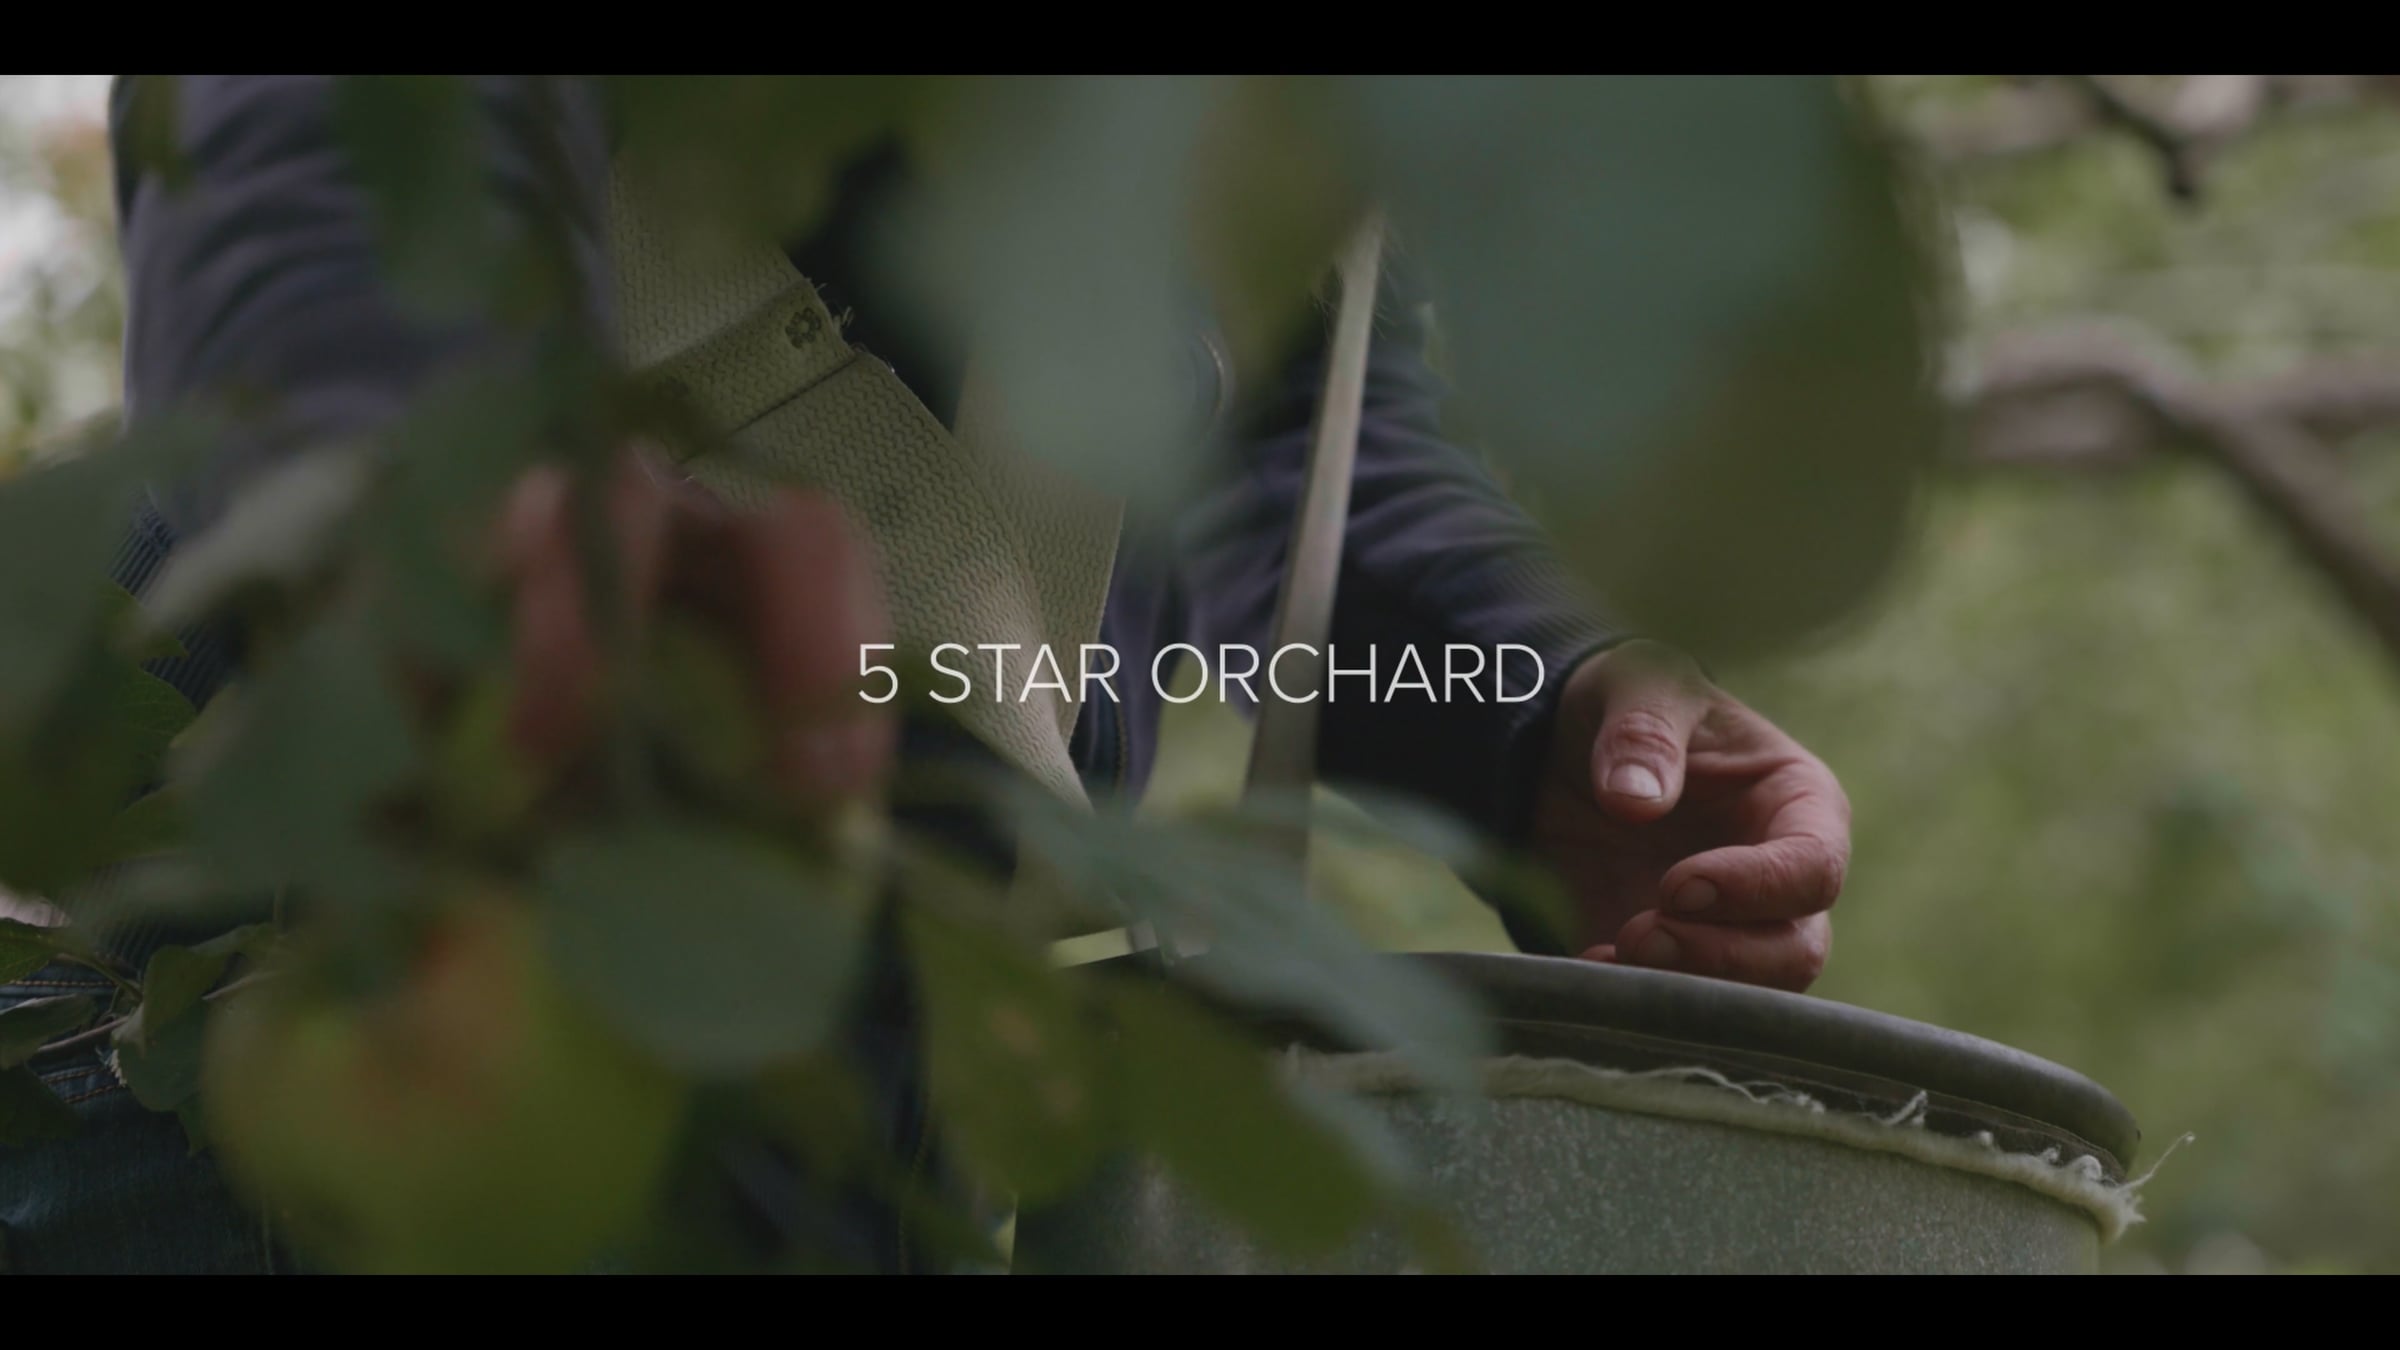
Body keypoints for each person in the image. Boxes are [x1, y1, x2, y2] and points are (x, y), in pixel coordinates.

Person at [0, 76, 1851, 1273]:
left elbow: (1284, 444)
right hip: (241, 988)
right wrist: (423, 462)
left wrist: (1525, 709)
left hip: (861, 1107)